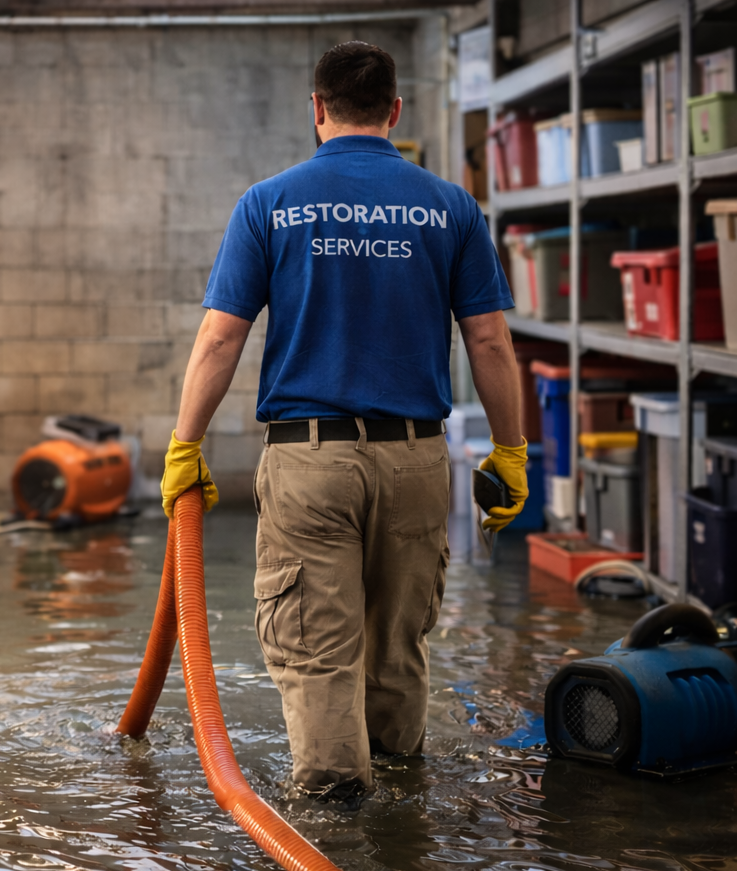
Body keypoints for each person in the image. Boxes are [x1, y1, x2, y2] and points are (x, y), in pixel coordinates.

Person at [158, 41, 527, 806]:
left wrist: (185, 445)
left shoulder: (270, 203)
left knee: (319, 651)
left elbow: (222, 338)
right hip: (419, 461)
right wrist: (512, 451)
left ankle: (332, 849)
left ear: (316, 109)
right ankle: (402, 832)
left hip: (310, 461)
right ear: (395, 111)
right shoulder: (450, 206)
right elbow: (489, 340)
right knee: (399, 647)